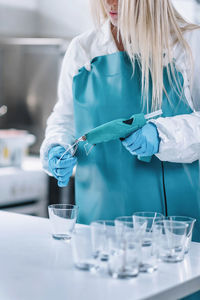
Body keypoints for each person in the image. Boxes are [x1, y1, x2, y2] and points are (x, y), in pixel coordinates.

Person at [41, 0, 200, 240]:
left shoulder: (190, 44)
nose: (110, 2)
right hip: (97, 225)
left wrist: (162, 135)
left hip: (175, 230)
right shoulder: (83, 49)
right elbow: (64, 119)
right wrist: (56, 145)